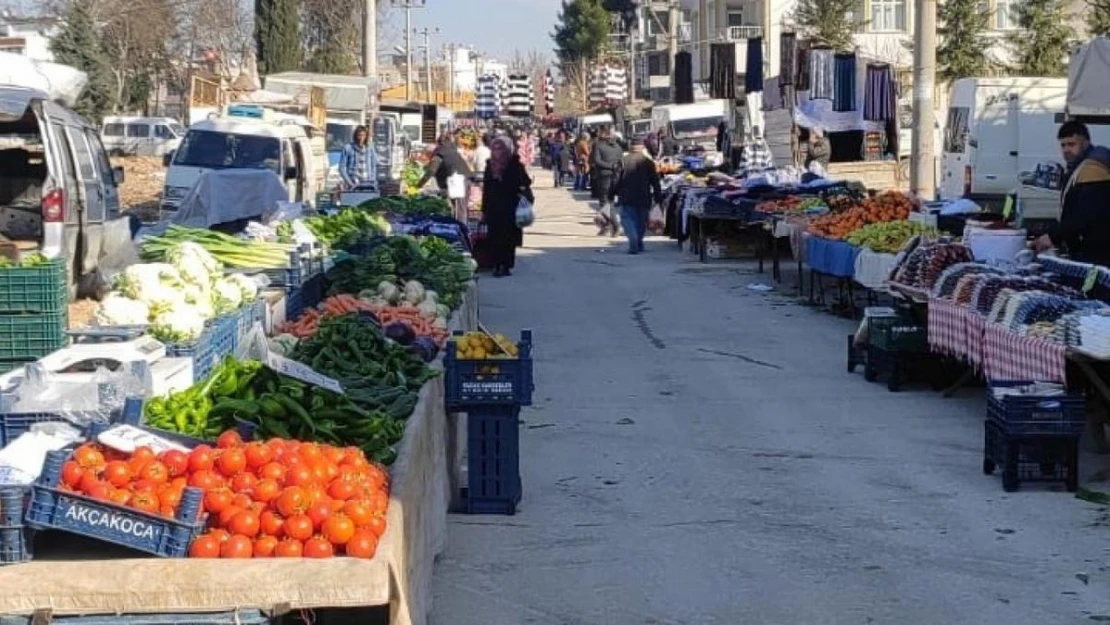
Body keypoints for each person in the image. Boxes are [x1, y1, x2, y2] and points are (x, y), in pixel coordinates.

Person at [1033, 121, 1110, 266]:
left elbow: (1085, 215)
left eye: (1072, 144)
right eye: (1063, 145)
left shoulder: (1092, 168)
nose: (1066, 150)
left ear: (1085, 142)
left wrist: (1053, 236)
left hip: (1095, 251)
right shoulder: (1080, 165)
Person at [483, 136, 534, 277]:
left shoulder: (491, 165)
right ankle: (505, 266)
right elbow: (526, 181)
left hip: (494, 208)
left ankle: (497, 265)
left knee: (495, 237)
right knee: (508, 239)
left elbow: (486, 190)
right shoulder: (515, 164)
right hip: (510, 207)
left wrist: (484, 209)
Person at [609, 136, 662, 255]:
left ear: (630, 146)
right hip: (644, 196)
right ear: (642, 147)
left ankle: (634, 241)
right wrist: (658, 197)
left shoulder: (623, 161)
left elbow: (615, 180)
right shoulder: (648, 162)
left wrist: (611, 194)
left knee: (628, 219)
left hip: (627, 196)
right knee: (641, 221)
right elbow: (655, 181)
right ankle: (638, 242)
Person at [416, 134, 473, 220]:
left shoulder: (439, 153)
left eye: (428, 154)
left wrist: (418, 185)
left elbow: (431, 171)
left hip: (457, 180)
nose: (429, 157)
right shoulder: (450, 150)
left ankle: (461, 229)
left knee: (458, 208)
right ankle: (462, 227)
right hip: (465, 178)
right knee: (462, 207)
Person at [589, 126, 624, 237]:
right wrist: (616, 168)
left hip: (604, 175)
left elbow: (596, 161)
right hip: (616, 176)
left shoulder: (598, 146)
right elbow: (621, 161)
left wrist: (610, 166)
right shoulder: (618, 147)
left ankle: (616, 226)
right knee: (610, 201)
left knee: (605, 202)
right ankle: (606, 226)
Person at [337, 125, 376, 189]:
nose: (361, 138)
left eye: (363, 135)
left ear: (366, 137)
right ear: (355, 136)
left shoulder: (370, 148)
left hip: (367, 183)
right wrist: (350, 183)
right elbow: (341, 168)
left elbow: (373, 166)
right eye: (359, 135)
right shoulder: (348, 148)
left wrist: (372, 181)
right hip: (353, 183)